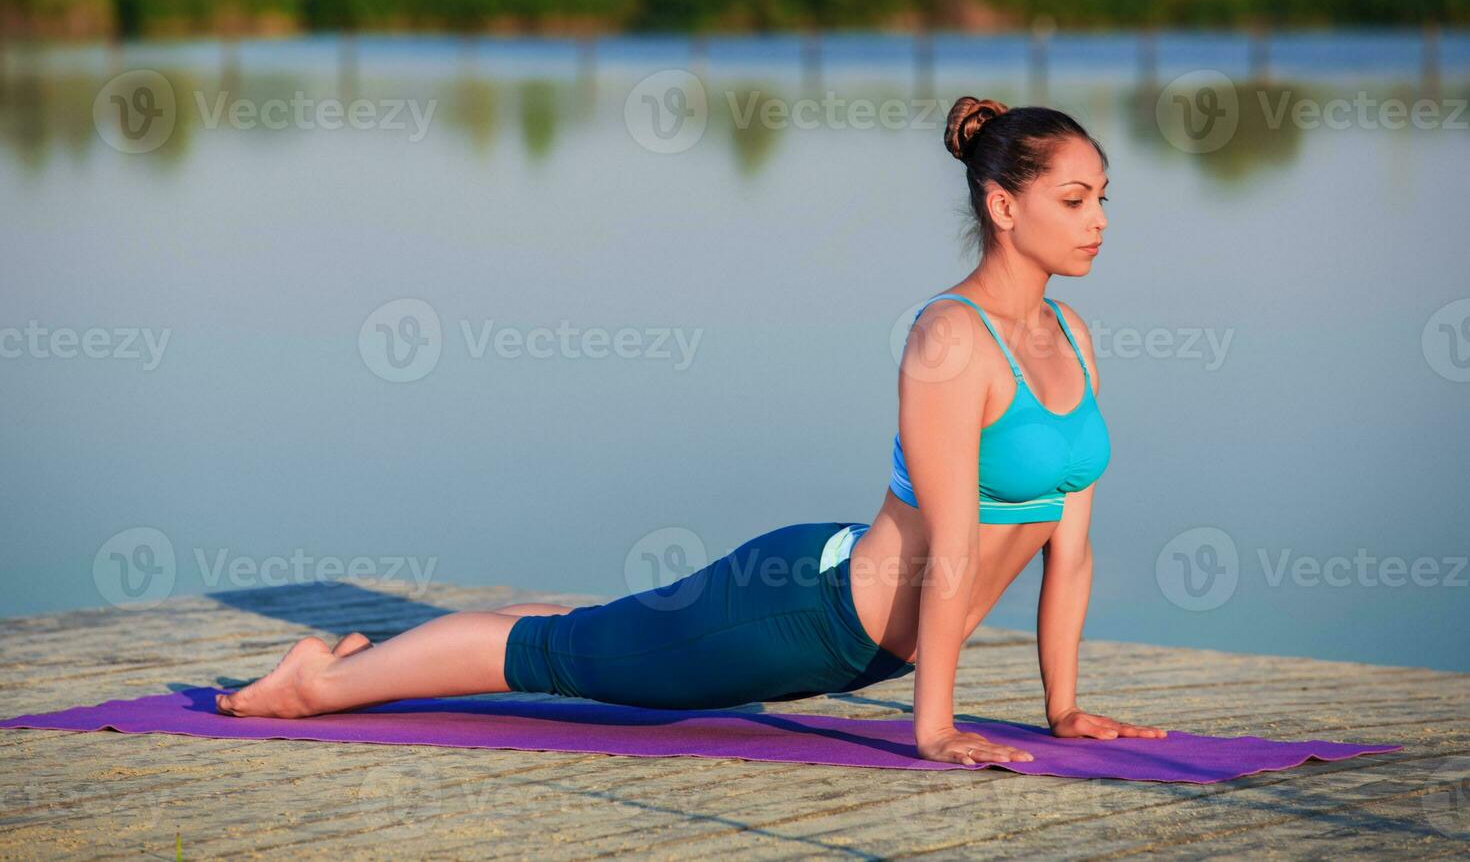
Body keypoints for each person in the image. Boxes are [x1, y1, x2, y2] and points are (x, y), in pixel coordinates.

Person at [214, 97, 1168, 766]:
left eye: (1104, 197)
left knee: (575, 647)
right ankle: (312, 685)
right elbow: (951, 549)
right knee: (565, 654)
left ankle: (352, 663)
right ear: (1005, 207)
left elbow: (1068, 549)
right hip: (812, 613)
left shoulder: (1070, 337)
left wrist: (1063, 709)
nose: (1099, 222)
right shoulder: (951, 338)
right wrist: (934, 730)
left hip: (871, 632)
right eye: (1074, 201)